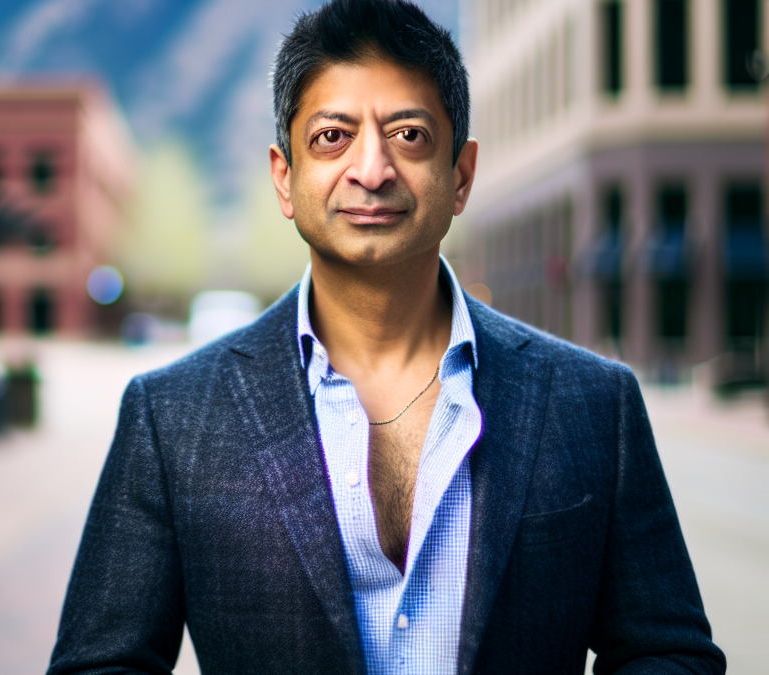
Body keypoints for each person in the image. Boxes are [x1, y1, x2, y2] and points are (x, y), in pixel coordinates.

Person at [47, 0, 725, 673]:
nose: (371, 171)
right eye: (332, 137)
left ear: (460, 175)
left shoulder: (594, 403)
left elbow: (670, 652)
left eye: (408, 135)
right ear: (285, 179)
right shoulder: (172, 418)